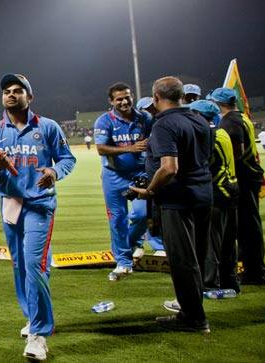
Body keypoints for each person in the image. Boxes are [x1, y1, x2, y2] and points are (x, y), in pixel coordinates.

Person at [0, 73, 75, 361]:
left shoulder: (47, 127)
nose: (11, 94)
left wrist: (55, 172)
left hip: (39, 205)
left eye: (18, 90)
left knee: (34, 264)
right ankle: (31, 315)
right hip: (10, 205)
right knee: (21, 265)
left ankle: (39, 333)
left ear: (29, 97)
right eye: (7, 90)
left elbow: (68, 158)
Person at [132, 76, 212, 333]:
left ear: (156, 98)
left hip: (178, 200)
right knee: (197, 256)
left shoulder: (165, 124)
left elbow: (169, 168)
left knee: (183, 261)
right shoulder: (198, 118)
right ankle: (192, 311)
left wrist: (149, 190)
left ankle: (194, 319)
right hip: (203, 194)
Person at [93, 82, 163, 281]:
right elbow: (101, 149)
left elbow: (154, 141)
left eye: (127, 97)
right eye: (119, 99)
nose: (124, 101)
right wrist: (131, 148)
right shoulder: (104, 121)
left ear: (132, 97)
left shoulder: (145, 118)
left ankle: (129, 245)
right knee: (117, 220)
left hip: (140, 175)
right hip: (113, 177)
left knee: (142, 215)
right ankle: (123, 263)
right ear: (111, 101)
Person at [210, 87, 265, 285]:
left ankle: (254, 273)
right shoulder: (241, 116)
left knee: (247, 228)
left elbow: (237, 152)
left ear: (219, 104)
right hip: (250, 177)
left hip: (243, 179)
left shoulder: (230, 121)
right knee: (250, 226)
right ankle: (254, 270)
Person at [190, 100, 240, 292]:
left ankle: (209, 283)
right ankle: (231, 280)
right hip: (231, 189)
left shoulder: (209, 136)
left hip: (217, 192)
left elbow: (203, 165)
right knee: (228, 241)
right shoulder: (222, 132)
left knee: (211, 242)